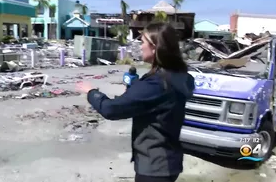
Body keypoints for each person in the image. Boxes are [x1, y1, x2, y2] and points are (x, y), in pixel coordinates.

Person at [76, 22, 195, 182]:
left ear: (155, 47)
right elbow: (154, 103)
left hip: (154, 166)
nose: (140, 46)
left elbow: (111, 109)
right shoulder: (179, 76)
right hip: (168, 161)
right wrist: (136, 89)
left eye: (143, 42)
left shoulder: (156, 84)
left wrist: (91, 92)